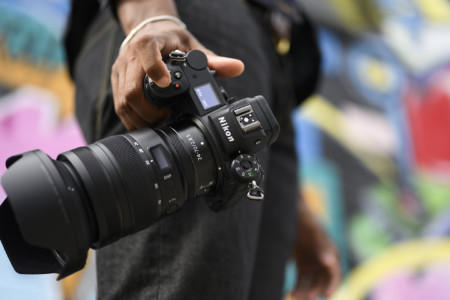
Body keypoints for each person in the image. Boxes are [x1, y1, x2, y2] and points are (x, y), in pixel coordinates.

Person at [65, 0, 340, 299]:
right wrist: (149, 15)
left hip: (277, 60)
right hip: (195, 18)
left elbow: (244, 150)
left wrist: (286, 201)